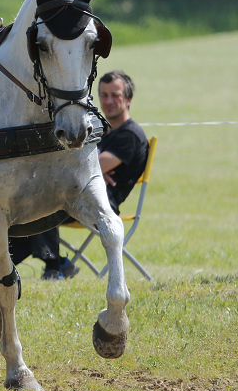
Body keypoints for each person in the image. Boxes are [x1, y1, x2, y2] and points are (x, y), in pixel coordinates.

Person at [9, 70, 149, 280]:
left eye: (115, 95)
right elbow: (85, 168)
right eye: (103, 95)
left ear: (128, 99)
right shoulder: (100, 129)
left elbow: (86, 167)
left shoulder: (130, 135)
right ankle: (2, 266)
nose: (108, 100)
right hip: (78, 191)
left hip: (102, 202)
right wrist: (90, 169)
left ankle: (54, 266)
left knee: (46, 198)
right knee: (30, 201)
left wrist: (86, 167)